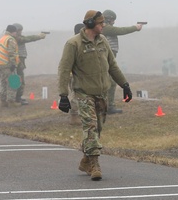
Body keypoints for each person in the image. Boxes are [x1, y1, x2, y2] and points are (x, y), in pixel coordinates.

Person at [57, 10, 133, 181]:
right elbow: (63, 70)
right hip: (83, 93)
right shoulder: (73, 44)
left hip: (101, 93)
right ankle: (94, 165)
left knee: (97, 129)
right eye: (100, 23)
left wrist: (125, 85)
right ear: (90, 24)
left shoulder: (103, 41)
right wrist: (63, 95)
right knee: (90, 127)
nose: (103, 25)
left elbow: (112, 66)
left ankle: (85, 160)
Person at [101, 10, 144, 114]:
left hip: (108, 57)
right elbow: (121, 30)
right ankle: (108, 107)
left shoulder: (105, 28)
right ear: (107, 19)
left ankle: (106, 106)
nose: (113, 22)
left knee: (110, 81)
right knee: (110, 82)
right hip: (107, 57)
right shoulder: (105, 28)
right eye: (112, 20)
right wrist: (135, 28)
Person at [11, 24, 48, 105]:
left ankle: (16, 98)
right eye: (19, 30)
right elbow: (27, 39)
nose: (21, 32)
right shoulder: (15, 38)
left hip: (18, 60)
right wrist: (39, 37)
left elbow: (26, 38)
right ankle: (16, 98)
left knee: (17, 79)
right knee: (18, 79)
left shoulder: (14, 38)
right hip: (17, 61)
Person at [0, 24, 20, 107]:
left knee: (3, 83)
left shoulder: (2, 39)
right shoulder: (10, 39)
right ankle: (11, 102)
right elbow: (11, 52)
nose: (16, 34)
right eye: (15, 32)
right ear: (12, 32)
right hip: (8, 64)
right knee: (13, 82)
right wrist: (13, 63)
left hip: (0, 63)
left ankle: (3, 101)